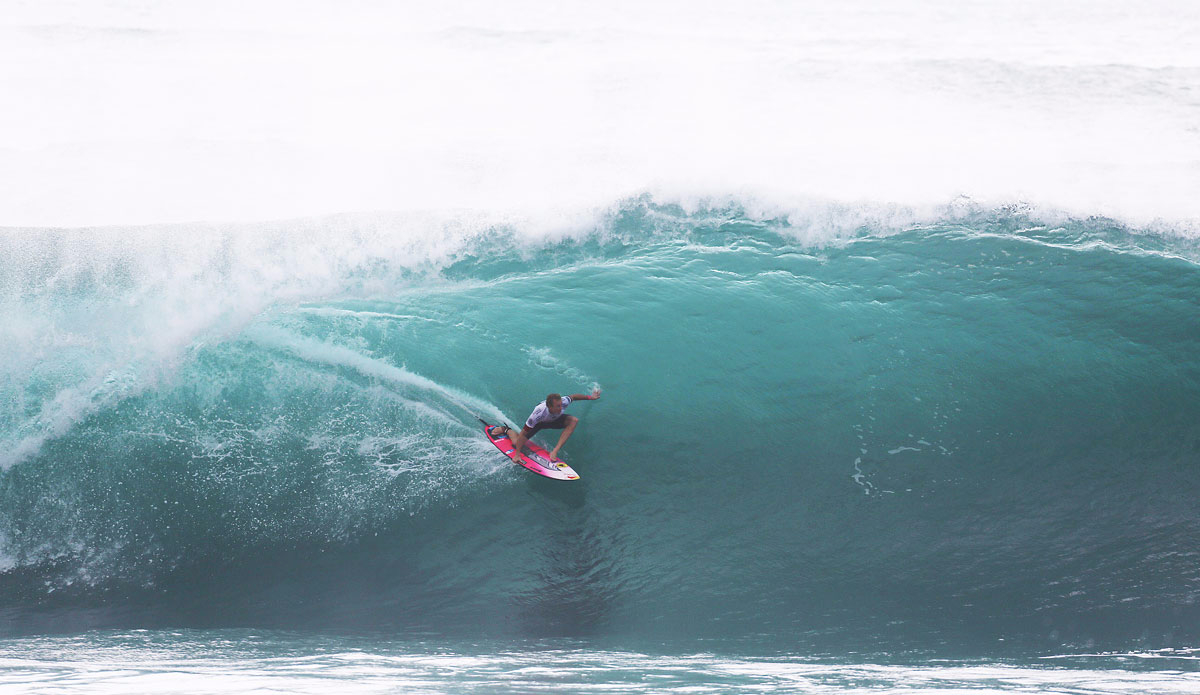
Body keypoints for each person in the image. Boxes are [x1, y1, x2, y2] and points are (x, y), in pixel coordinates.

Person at [491, 389, 601, 461]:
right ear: (549, 407)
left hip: (554, 420)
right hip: (539, 423)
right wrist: (517, 454)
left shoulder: (563, 402)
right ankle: (506, 430)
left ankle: (555, 451)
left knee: (574, 420)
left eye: (561, 405)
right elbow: (524, 433)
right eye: (557, 406)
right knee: (516, 442)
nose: (561, 407)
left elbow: (574, 397)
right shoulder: (538, 413)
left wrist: (591, 397)